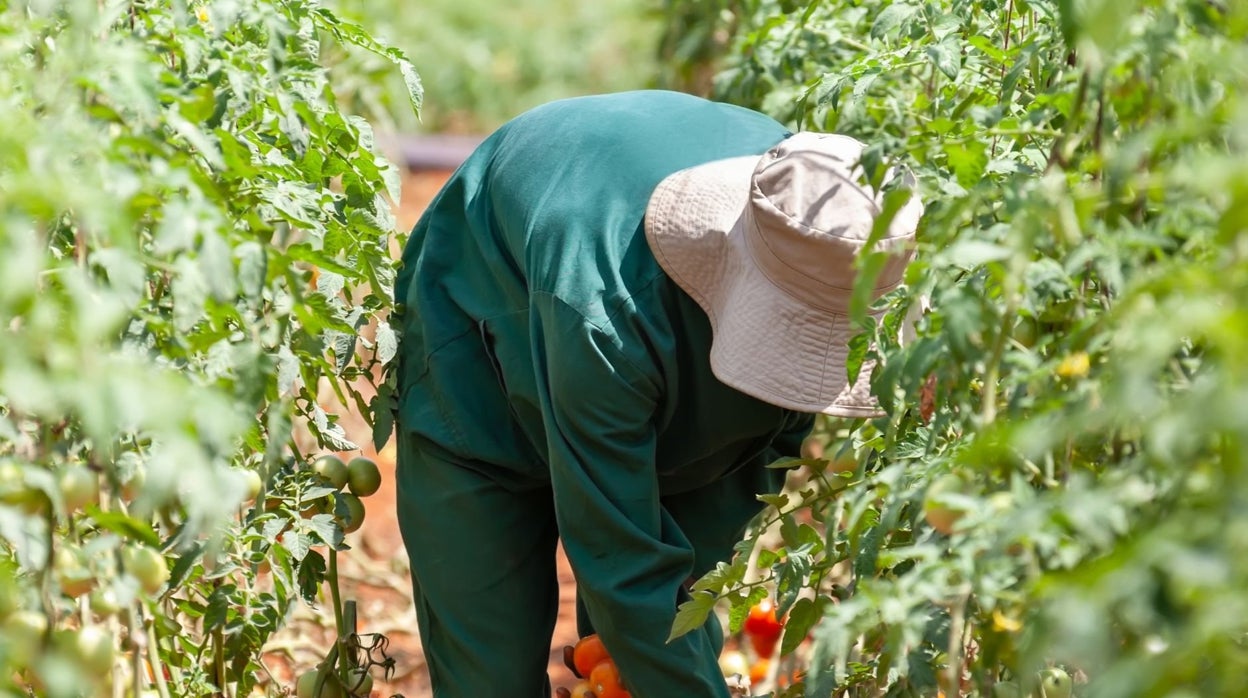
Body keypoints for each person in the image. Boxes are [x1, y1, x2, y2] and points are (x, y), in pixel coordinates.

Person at [391, 90, 922, 698]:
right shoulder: (607, 310)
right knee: (492, 669)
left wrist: (663, 659)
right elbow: (620, 556)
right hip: (482, 358)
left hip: (646, 353)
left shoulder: (827, 214)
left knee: (644, 657)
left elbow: (767, 446)